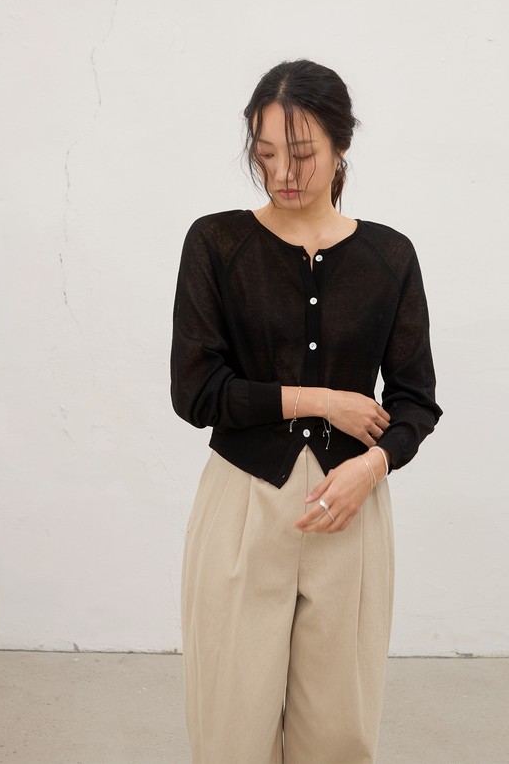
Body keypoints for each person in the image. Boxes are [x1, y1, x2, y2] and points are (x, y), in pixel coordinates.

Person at [170, 58, 442, 764]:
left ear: (341, 144)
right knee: (230, 730)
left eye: (301, 153)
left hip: (351, 509)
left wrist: (372, 467)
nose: (282, 173)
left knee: (339, 735)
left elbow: (415, 400)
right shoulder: (217, 244)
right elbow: (195, 391)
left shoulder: (390, 256)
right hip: (243, 502)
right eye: (265, 155)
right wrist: (320, 400)